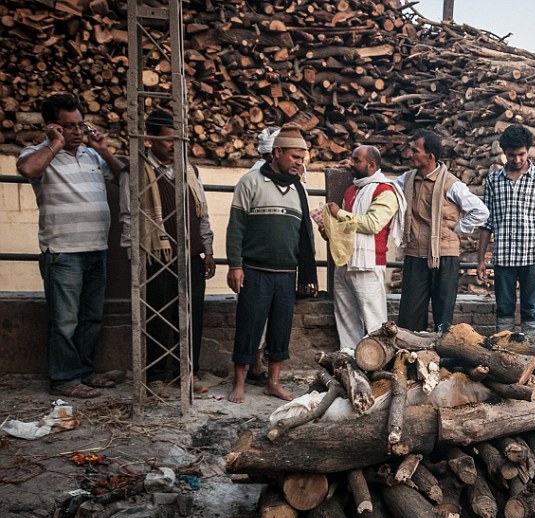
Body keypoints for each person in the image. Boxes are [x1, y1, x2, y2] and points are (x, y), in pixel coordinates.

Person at [17, 93, 126, 399]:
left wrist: (103, 151)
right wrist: (55, 143)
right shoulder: (37, 153)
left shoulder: (91, 155)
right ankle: (64, 379)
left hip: (96, 248)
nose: (78, 131)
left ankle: (85, 373)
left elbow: (124, 177)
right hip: (63, 251)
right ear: (52, 127)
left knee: (91, 318)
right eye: (69, 126)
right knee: (65, 321)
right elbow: (28, 170)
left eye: (81, 125)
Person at [119, 109, 215, 397]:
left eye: (179, 141)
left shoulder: (190, 171)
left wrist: (208, 249)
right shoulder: (136, 171)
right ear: (150, 139)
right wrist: (133, 259)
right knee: (158, 316)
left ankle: (188, 372)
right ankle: (158, 375)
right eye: (168, 140)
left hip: (190, 255)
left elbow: (202, 212)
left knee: (192, 316)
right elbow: (128, 217)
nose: (174, 146)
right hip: (157, 256)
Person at [226, 126, 318, 403]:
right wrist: (235, 265)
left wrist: (306, 273)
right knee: (248, 325)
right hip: (255, 270)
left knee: (280, 329)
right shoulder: (250, 182)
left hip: (287, 273)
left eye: (302, 158)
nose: (299, 163)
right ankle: (239, 382)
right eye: (294, 157)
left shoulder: (298, 189)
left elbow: (305, 233)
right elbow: (236, 227)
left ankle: (273, 383)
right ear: (277, 152)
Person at [395, 129, 489, 332]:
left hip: (444, 255)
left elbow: (481, 211)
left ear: (430, 157)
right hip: (415, 254)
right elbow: (387, 189)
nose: (410, 154)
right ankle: (411, 349)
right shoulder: (406, 179)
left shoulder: (451, 184)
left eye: (415, 150)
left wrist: (457, 228)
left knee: (443, 315)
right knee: (410, 315)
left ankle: (441, 351)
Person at [477, 124, 535, 339]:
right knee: (504, 309)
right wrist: (480, 260)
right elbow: (486, 223)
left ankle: (533, 351)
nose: (517, 159)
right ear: (504, 153)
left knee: (531, 310)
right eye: (512, 155)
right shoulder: (494, 180)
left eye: (521, 154)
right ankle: (504, 351)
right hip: (503, 257)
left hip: (533, 256)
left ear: (528, 151)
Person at [314, 145, 405, 351]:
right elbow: (347, 228)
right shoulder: (352, 190)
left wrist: (339, 214)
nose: (351, 163)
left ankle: (379, 363)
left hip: (368, 264)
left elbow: (372, 224)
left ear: (371, 165)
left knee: (375, 322)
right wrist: (329, 230)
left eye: (356, 160)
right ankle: (349, 360)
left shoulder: (385, 191)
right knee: (346, 321)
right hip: (345, 262)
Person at [244, 125, 282, 387]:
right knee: (258, 314)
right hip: (260, 256)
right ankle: (254, 365)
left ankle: (260, 364)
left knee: (269, 315)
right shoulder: (254, 177)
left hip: (276, 256)